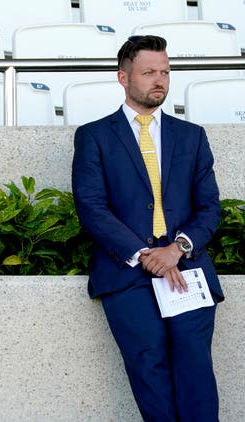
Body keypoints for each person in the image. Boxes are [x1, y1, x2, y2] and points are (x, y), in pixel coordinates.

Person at [71, 35, 223, 421]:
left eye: (166, 72)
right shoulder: (94, 137)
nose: (160, 80)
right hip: (126, 270)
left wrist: (176, 250)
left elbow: (208, 206)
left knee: (194, 364)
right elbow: (92, 207)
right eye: (149, 72)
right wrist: (145, 255)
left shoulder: (191, 136)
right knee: (147, 363)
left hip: (186, 267)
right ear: (123, 77)